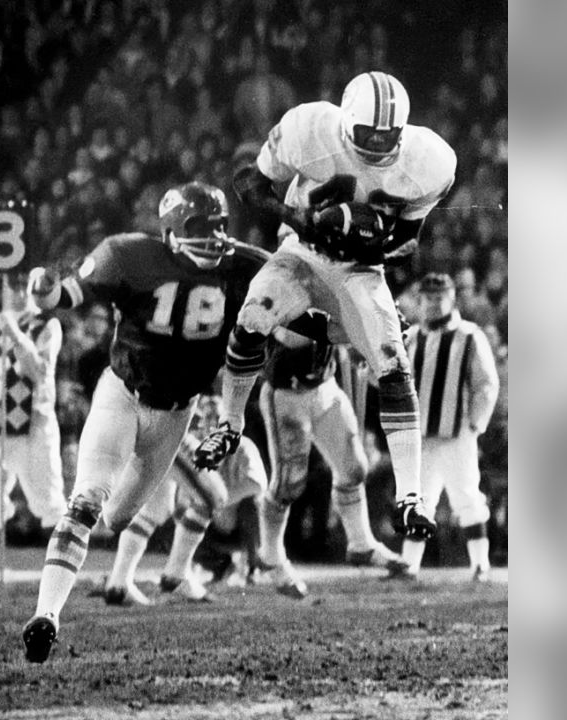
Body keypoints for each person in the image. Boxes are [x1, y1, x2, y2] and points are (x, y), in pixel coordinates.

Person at [193, 71, 457, 543]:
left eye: (387, 137)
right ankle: (230, 424)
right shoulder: (309, 127)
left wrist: (367, 237)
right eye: (367, 135)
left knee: (393, 362)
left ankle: (410, 496)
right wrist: (301, 220)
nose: (377, 146)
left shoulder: (429, 160)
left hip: (360, 266)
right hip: (300, 250)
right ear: (345, 124)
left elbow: (407, 240)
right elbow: (250, 183)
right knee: (253, 314)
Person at [20, 181, 269, 663]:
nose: (214, 237)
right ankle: (46, 614)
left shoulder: (244, 269)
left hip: (178, 413)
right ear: (172, 232)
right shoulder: (130, 255)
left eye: (220, 226)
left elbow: (297, 306)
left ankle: (123, 575)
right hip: (123, 393)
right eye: (201, 228)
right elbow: (67, 294)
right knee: (87, 500)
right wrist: (47, 291)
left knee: (117, 519)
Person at [255, 309, 409, 598]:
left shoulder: (334, 278)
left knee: (354, 468)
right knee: (289, 483)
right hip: (286, 394)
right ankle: (270, 555)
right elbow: (294, 336)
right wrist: (355, 325)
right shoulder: (287, 280)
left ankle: (361, 543)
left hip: (325, 387)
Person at [102, 395, 266, 606]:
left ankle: (119, 583)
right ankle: (177, 575)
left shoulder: (237, 444)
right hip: (164, 424)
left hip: (142, 419)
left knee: (157, 506)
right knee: (213, 494)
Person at [397, 273, 501, 581]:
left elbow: (486, 384)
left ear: (451, 298)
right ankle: (408, 565)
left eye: (438, 298)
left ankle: (480, 564)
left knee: (467, 495)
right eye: (427, 298)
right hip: (420, 435)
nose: (432, 303)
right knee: (418, 500)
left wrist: (474, 423)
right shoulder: (411, 336)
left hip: (457, 433)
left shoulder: (469, 335)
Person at [0, 275, 67, 580]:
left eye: (18, 283)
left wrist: (14, 331)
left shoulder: (47, 327)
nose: (13, 290)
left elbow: (39, 372)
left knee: (50, 503)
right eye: (9, 283)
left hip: (34, 426)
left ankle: (59, 573)